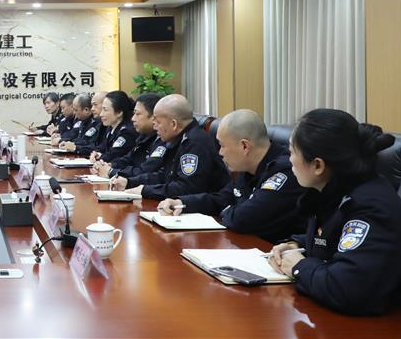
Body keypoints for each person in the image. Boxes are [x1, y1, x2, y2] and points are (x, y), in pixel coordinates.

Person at [268, 109, 401, 317]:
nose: (289, 160)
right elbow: (337, 238)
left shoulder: (371, 207)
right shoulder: (336, 190)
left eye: (291, 152)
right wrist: (297, 245)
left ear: (317, 165)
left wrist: (299, 266)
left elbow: (347, 290)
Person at [157, 109, 305, 243]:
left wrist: (227, 210)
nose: (220, 152)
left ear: (244, 146)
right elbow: (223, 198)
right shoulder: (247, 167)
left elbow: (242, 220)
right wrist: (182, 203)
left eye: (222, 145)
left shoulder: (285, 171)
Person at [113, 94, 230, 199]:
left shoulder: (194, 143)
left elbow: (185, 188)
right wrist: (129, 182)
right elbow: (164, 176)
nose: (155, 127)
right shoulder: (177, 139)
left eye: (158, 122)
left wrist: (144, 190)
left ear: (173, 124)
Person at [93, 93, 166, 179]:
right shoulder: (143, 136)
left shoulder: (163, 140)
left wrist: (112, 171)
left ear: (154, 117)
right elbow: (128, 158)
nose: (133, 118)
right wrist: (110, 165)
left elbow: (145, 170)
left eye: (137, 114)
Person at [89, 90, 138, 164]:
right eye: (102, 109)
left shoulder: (126, 132)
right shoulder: (110, 128)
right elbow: (102, 147)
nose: (101, 114)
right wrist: (96, 153)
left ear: (119, 112)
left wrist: (99, 157)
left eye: (105, 110)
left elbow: (112, 155)